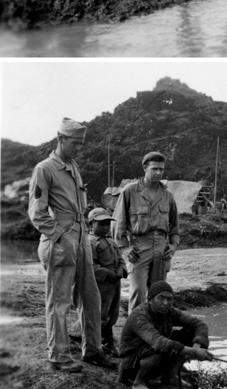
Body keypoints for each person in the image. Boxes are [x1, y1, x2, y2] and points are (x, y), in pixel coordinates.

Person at [27, 118, 116, 372]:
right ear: (60, 138)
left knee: (91, 297)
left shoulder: (73, 166)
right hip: (61, 241)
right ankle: (58, 355)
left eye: (81, 143)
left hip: (81, 238)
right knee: (59, 301)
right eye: (75, 143)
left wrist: (78, 236)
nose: (79, 148)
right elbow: (37, 212)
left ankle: (93, 350)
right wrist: (59, 236)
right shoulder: (44, 169)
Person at [118, 281, 213, 389]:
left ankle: (170, 375)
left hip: (153, 356)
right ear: (150, 299)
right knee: (160, 348)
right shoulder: (139, 316)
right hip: (132, 365)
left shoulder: (170, 312)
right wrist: (194, 353)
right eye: (161, 298)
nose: (166, 303)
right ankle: (138, 383)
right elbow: (159, 343)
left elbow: (199, 324)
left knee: (189, 331)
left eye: (169, 299)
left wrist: (197, 346)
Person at [114, 152, 180, 313]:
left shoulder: (168, 195)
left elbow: (175, 226)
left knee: (158, 293)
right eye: (154, 169)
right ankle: (135, 333)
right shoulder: (130, 191)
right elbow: (118, 223)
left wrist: (173, 245)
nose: (158, 173)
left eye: (161, 169)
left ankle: (153, 332)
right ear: (145, 168)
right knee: (138, 292)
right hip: (138, 247)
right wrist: (124, 248)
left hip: (161, 248)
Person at [86, 207, 127, 355]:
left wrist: (122, 269)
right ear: (90, 224)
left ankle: (109, 342)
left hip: (114, 283)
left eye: (107, 224)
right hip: (101, 284)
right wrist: (107, 273)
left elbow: (120, 258)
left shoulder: (111, 241)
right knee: (100, 313)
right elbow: (91, 265)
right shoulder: (90, 242)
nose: (105, 228)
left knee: (112, 312)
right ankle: (97, 343)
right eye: (101, 224)